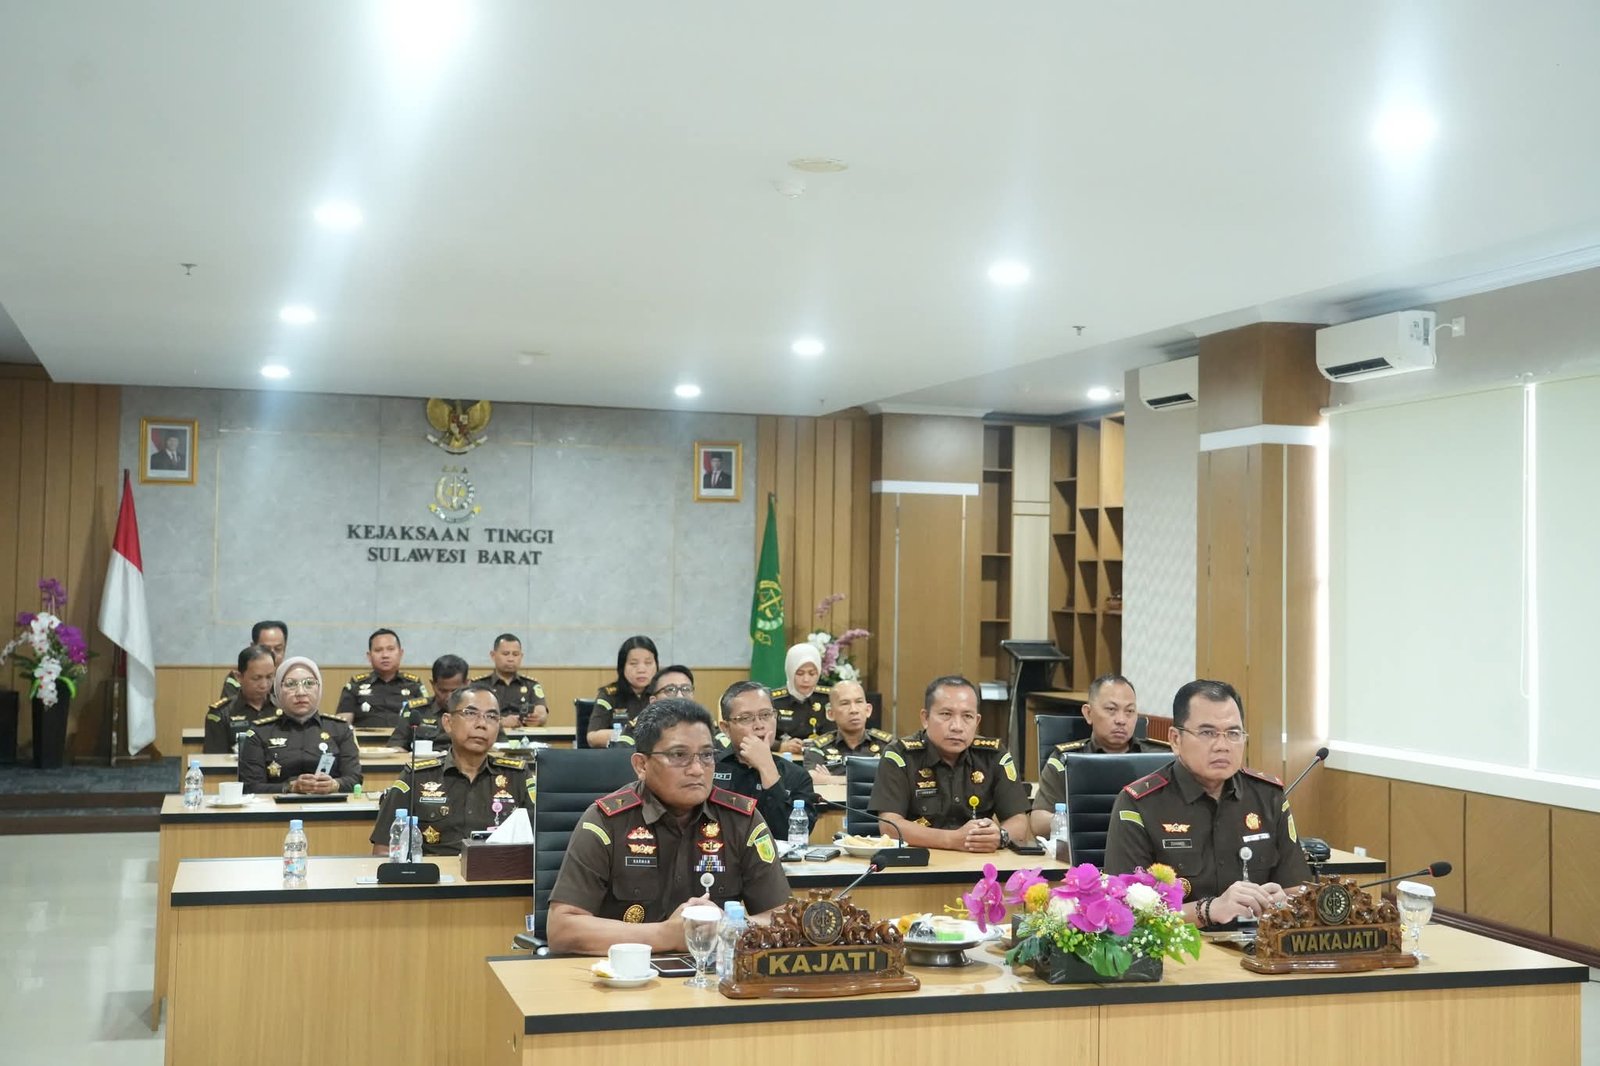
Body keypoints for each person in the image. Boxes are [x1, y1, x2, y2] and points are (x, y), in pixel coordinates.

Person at [546, 699, 791, 955]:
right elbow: (562, 929)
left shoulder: (742, 821)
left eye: (707, 755)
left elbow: (782, 919)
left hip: (713, 980)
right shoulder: (606, 822)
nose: (697, 770)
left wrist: (730, 925)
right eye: (679, 756)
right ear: (641, 765)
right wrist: (667, 935)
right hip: (625, 980)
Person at [1102, 679, 1313, 927]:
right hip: (1178, 953)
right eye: (1207, 733)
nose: (1222, 746)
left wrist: (1280, 902)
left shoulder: (1268, 797)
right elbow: (1124, 910)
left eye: (1233, 734)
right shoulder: (1139, 804)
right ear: (1176, 739)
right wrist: (1209, 910)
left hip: (1257, 950)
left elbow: (1298, 891)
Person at [869, 675, 1029, 853]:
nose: (957, 726)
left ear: (977, 722)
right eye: (946, 714)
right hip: (919, 864)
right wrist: (953, 840)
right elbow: (890, 826)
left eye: (967, 716)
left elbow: (1019, 821)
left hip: (978, 865)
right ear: (925, 718)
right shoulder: (900, 755)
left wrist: (1000, 836)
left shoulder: (994, 755)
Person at [369, 685, 536, 855]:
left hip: (501, 873)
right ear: (448, 723)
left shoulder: (517, 776)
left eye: (492, 716)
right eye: (470, 714)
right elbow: (384, 849)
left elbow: (541, 842)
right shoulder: (417, 777)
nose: (482, 724)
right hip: (435, 878)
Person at [1028, 673, 1170, 837]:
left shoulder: (1159, 759)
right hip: (1084, 850)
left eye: (1130, 711)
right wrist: (1085, 822)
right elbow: (1038, 821)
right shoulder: (1066, 760)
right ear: (1088, 713)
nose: (1121, 720)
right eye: (1111, 709)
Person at [237, 657, 362, 794]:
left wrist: (335, 785)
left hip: (329, 809)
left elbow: (355, 780)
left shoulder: (340, 729)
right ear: (278, 690)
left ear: (319, 688)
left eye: (309, 683)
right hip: (277, 811)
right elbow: (250, 787)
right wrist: (290, 787)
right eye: (291, 684)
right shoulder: (259, 732)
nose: (301, 692)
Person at [713, 681, 819, 837]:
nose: (759, 725)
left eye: (765, 715)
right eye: (746, 718)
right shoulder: (710, 768)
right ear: (726, 728)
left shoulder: (797, 776)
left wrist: (766, 767)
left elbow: (792, 836)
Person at [336, 628, 431, 730]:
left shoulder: (414, 685)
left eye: (390, 649)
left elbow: (428, 721)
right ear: (369, 656)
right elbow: (342, 725)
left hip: (404, 744)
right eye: (378, 650)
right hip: (364, 743)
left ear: (400, 653)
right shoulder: (354, 686)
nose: (385, 655)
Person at [803, 679, 894, 782]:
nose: (853, 710)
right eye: (845, 703)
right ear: (830, 713)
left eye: (859, 702)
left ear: (868, 710)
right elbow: (811, 778)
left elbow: (896, 779)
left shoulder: (888, 745)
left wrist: (830, 779)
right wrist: (871, 780)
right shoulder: (819, 748)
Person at [584, 635, 658, 748]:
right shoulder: (610, 695)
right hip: (619, 756)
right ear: (622, 667)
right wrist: (630, 735)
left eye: (648, 663)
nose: (641, 669)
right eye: (634, 664)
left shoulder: (662, 693)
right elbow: (593, 737)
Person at [203, 645, 278, 753]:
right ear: (239, 677)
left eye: (269, 677)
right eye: (257, 678)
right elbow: (214, 762)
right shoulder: (221, 714)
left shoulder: (283, 709)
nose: (264, 685)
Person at [388, 654, 471, 750]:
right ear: (433, 685)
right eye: (443, 691)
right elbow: (396, 745)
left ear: (466, 684)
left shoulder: (478, 713)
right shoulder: (415, 710)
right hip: (423, 763)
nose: (449, 697)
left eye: (454, 691)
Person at [469, 632, 549, 727]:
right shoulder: (479, 685)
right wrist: (500, 722)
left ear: (521, 656)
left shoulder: (531, 685)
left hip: (525, 737)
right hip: (492, 737)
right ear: (493, 655)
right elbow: (471, 715)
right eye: (505, 654)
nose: (511, 659)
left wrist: (538, 718)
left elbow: (542, 713)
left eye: (515, 654)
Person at [770, 643, 829, 755]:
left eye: (812, 674)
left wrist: (817, 744)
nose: (806, 679)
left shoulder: (828, 698)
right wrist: (780, 746)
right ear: (790, 672)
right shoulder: (773, 700)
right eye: (800, 673)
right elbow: (757, 736)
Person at [217, 620, 288, 699]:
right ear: (253, 647)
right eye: (266, 649)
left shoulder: (290, 678)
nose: (272, 656)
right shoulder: (239, 678)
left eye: (278, 649)